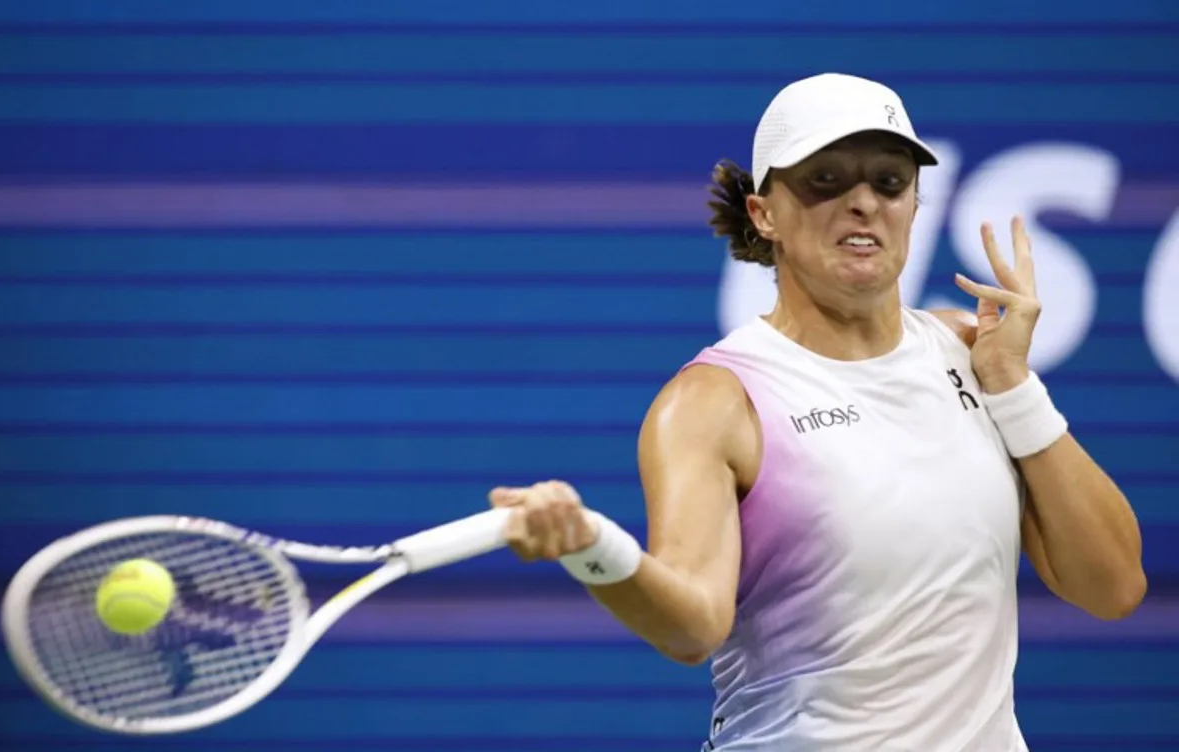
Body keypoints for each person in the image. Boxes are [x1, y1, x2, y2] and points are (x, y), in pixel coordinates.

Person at [487, 73, 1147, 751]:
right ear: (764, 213)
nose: (863, 203)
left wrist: (1013, 385)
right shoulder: (711, 403)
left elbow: (1113, 587)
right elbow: (692, 627)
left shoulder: (975, 356)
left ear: (916, 206)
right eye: (825, 180)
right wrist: (593, 546)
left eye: (889, 183)